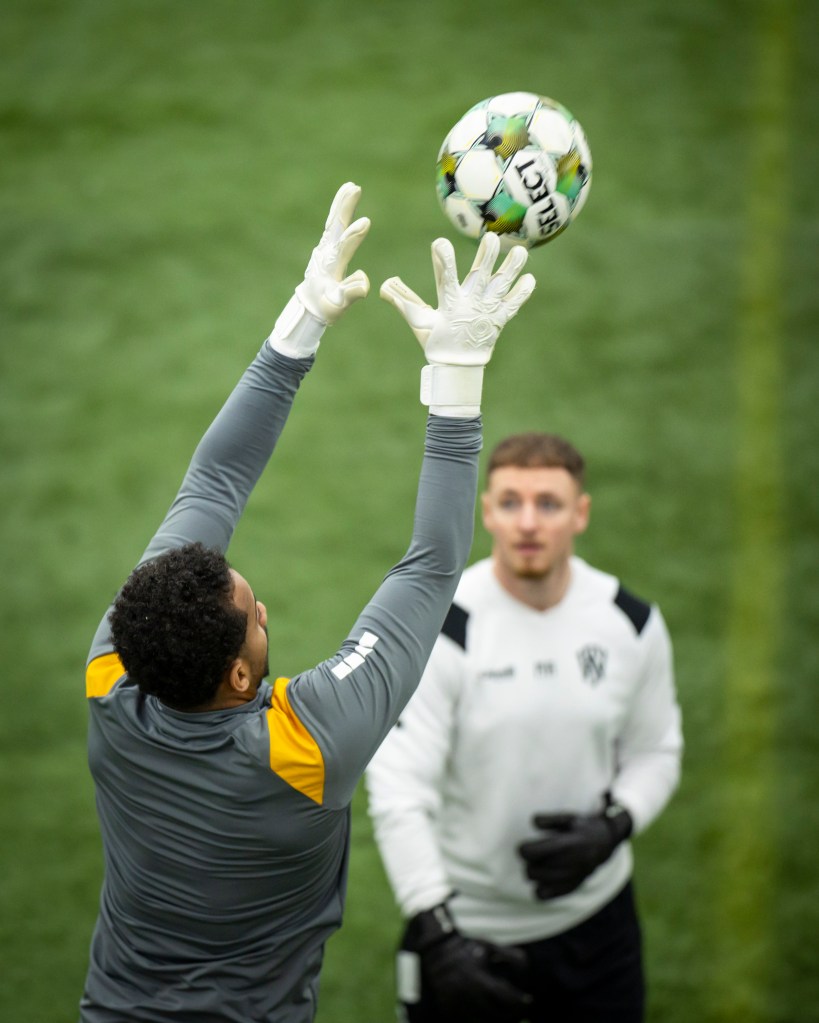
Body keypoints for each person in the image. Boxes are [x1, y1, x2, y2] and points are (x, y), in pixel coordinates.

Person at [79, 182, 537, 1023]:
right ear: (237, 676)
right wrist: (456, 369)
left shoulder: (117, 673)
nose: (263, 610)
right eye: (254, 614)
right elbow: (432, 566)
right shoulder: (304, 748)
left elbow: (216, 481)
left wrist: (303, 322)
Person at [365, 431, 683, 1023]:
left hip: (598, 928)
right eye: (511, 502)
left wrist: (615, 825)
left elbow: (657, 750)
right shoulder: (443, 629)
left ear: (580, 513)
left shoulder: (630, 623)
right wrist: (437, 933)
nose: (528, 523)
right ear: (486, 511)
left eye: (549, 504)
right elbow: (398, 790)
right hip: (466, 935)